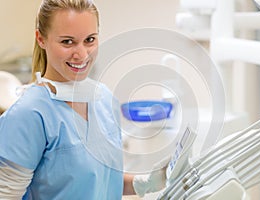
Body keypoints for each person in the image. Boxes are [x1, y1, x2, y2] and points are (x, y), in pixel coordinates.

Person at [0, 0, 167, 199]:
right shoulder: (29, 115)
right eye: (67, 42)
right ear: (41, 39)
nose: (81, 54)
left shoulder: (103, 99)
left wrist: (145, 183)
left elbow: (100, 180)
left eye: (89, 40)